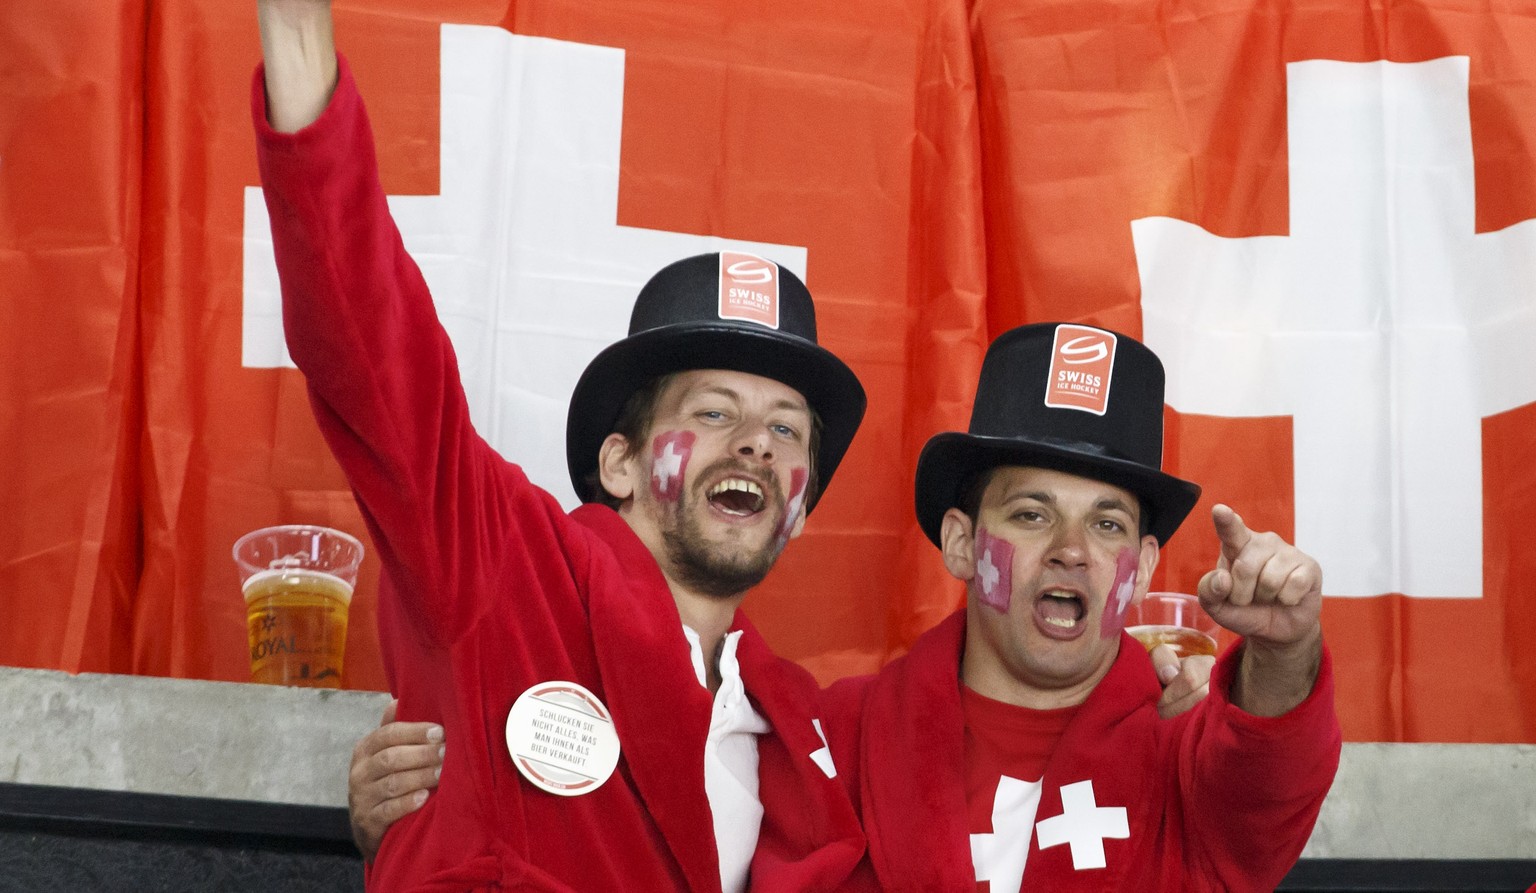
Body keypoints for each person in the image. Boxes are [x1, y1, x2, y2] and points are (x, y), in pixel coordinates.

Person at [252, 2, 868, 889]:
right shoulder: (508, 571)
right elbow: (371, 353)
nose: (755, 446)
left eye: (783, 429)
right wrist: (297, 44)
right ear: (618, 462)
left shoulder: (812, 733)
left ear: (800, 508)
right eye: (713, 413)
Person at [816, 322, 1340, 891]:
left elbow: (1270, 770)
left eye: (1106, 523)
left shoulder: (1189, 756)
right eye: (1032, 515)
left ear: (1140, 569)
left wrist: (1286, 647)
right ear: (962, 544)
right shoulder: (836, 735)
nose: (1071, 551)